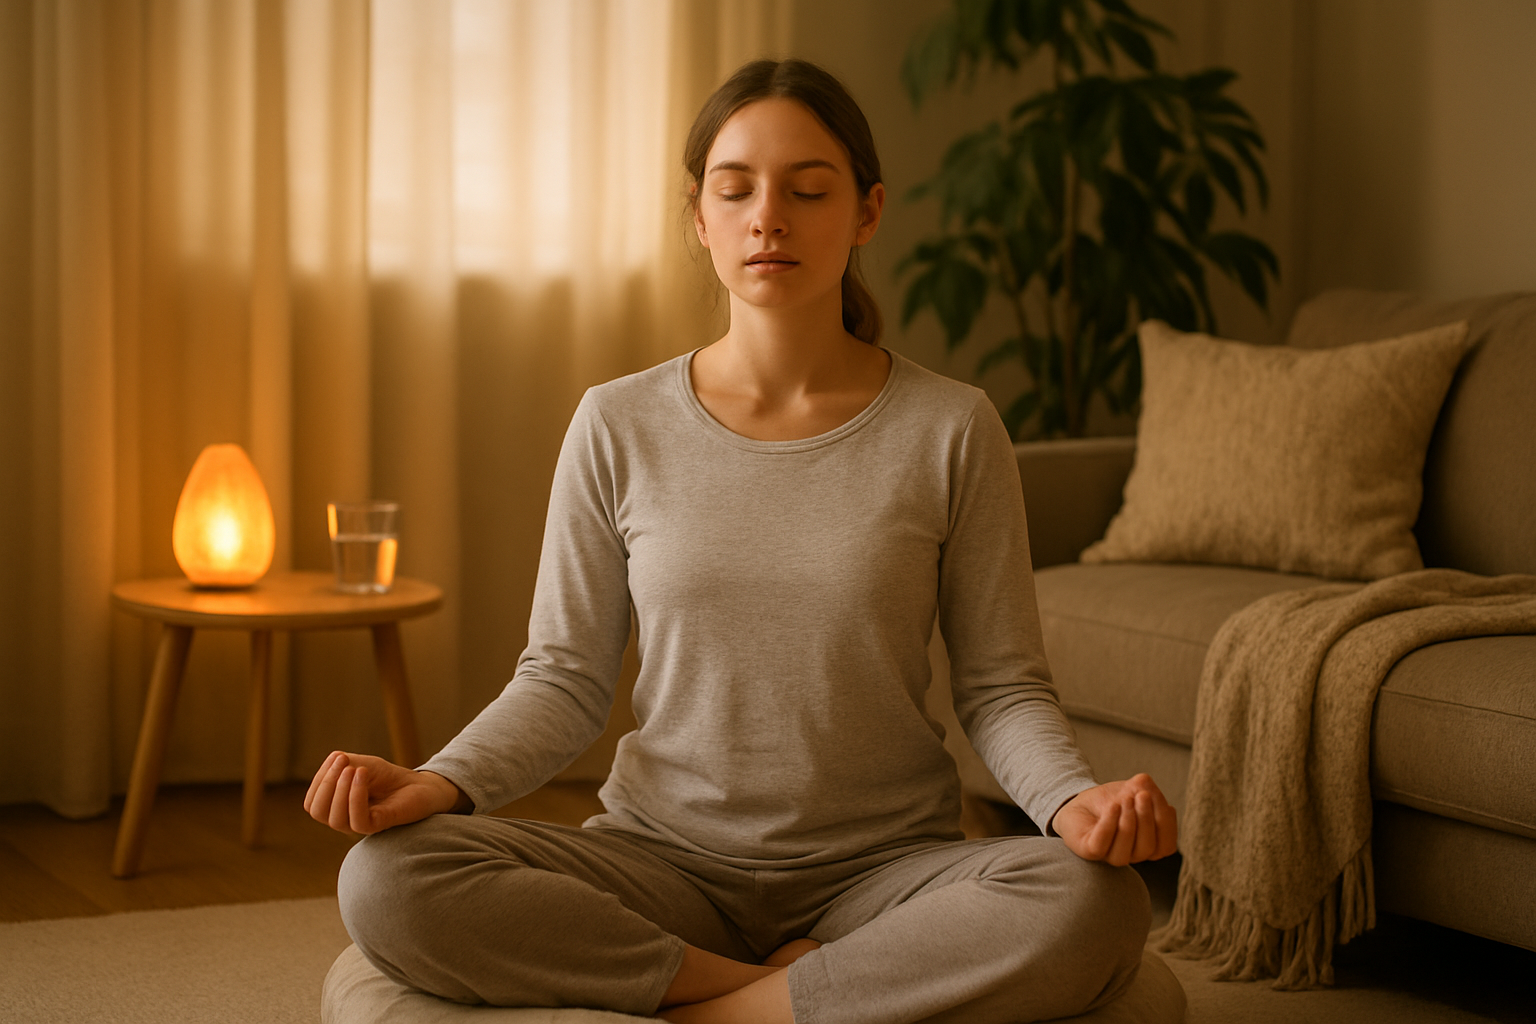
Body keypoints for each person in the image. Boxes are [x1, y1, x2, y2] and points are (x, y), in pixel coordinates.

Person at [306, 58, 1177, 1024]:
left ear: (867, 212)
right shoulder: (616, 422)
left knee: (1094, 898)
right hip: (662, 865)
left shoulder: (952, 427)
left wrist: (1071, 804)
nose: (771, 217)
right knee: (386, 878)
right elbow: (562, 678)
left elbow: (1002, 686)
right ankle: (773, 996)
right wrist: (440, 781)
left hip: (886, 874)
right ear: (700, 218)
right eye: (737, 190)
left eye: (809, 191)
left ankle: (715, 1008)